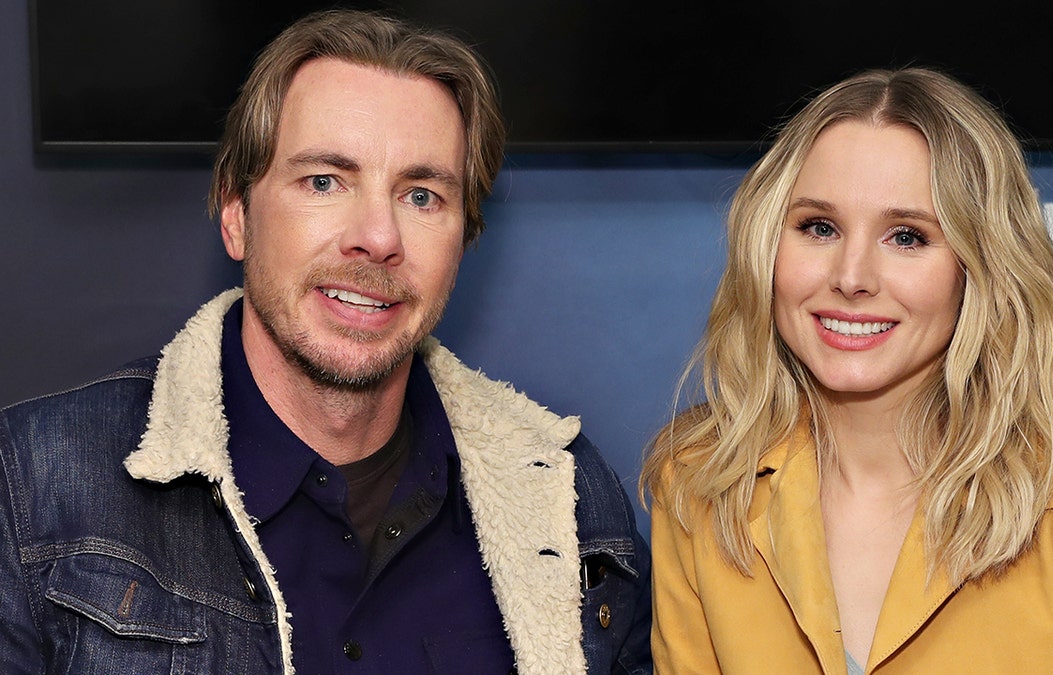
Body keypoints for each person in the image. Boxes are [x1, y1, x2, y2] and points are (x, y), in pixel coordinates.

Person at [0, 10, 650, 674]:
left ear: (464, 239)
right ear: (236, 216)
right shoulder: (33, 487)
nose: (378, 235)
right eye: (324, 181)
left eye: (421, 195)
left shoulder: (568, 502)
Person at [643, 68, 1053, 674]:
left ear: (980, 267)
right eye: (819, 227)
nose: (852, 276)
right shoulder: (699, 482)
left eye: (906, 237)